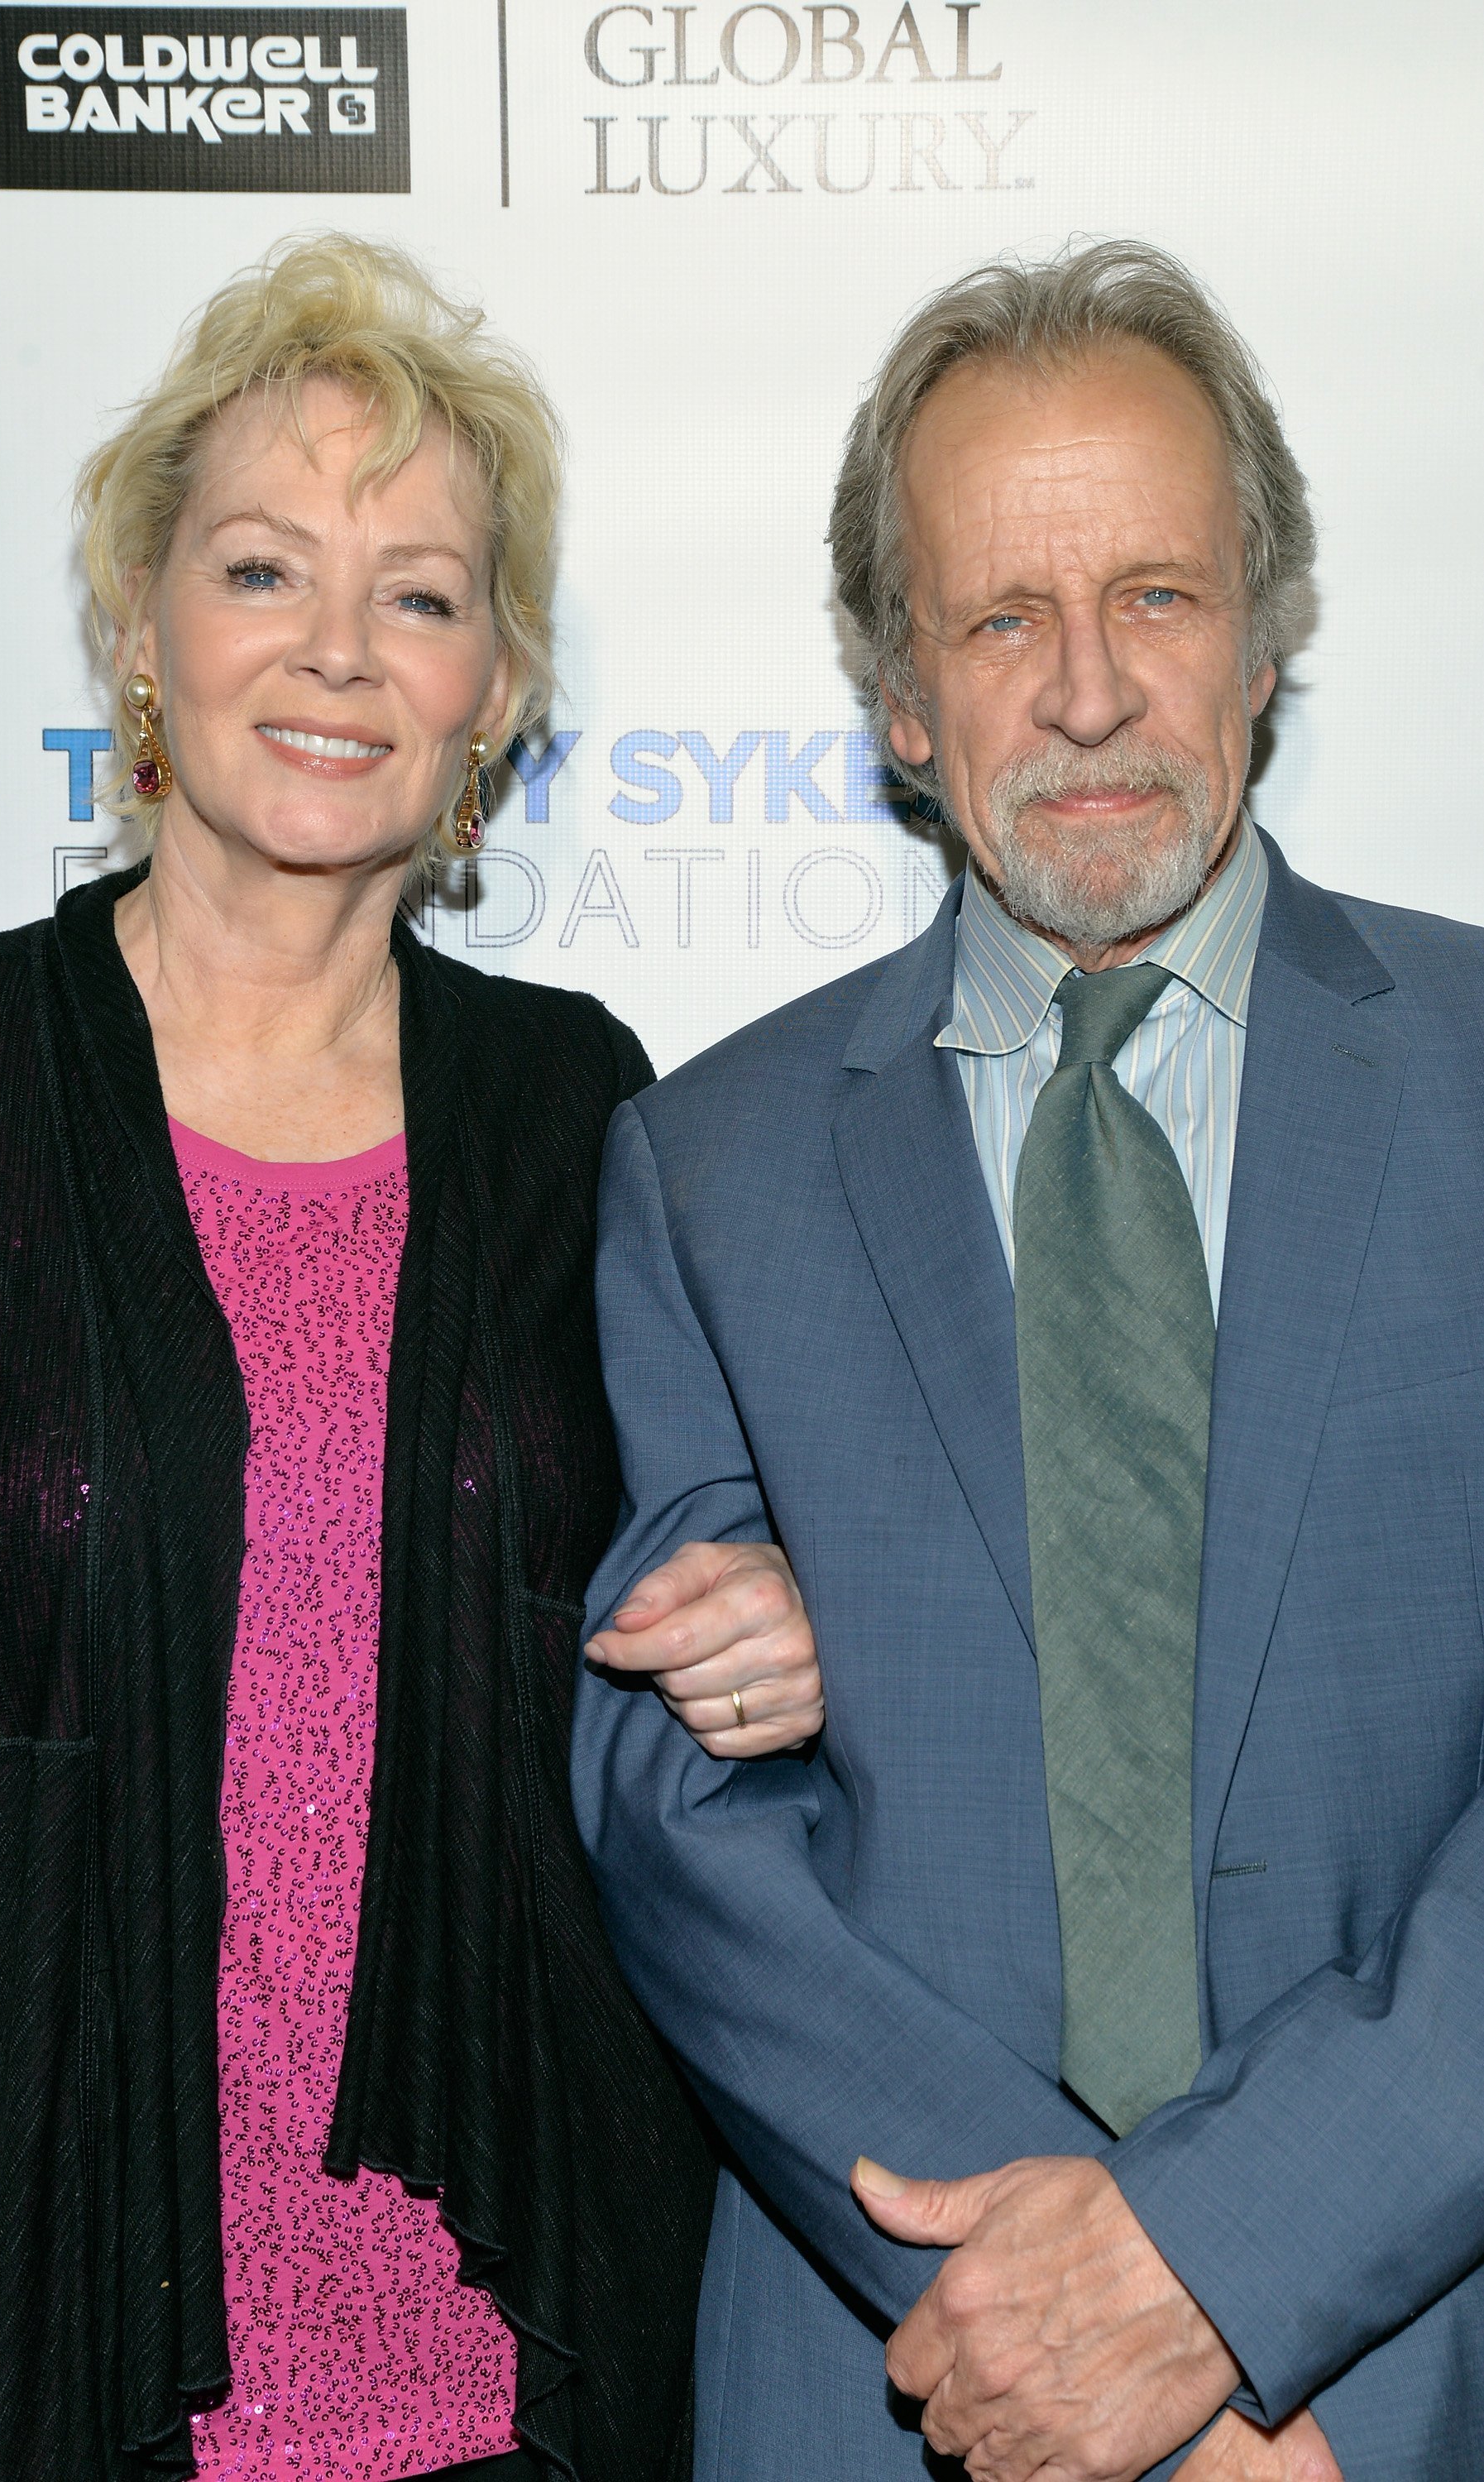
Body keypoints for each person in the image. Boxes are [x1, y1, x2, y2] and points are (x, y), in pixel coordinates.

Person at [0, 234, 824, 2482]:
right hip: (25, 2337)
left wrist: (793, 1623)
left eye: (418, 592)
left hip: (518, 2343)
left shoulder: (580, 1104)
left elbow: (710, 1545)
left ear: (493, 689)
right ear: (136, 630)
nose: (336, 648)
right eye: (259, 570)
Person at [572, 237, 1484, 2482]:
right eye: (997, 619)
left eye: (1157, 598)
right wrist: (1051, 2319)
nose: (1084, 692)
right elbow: (672, 1812)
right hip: (896, 2378)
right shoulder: (705, 1166)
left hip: (1410, 2368)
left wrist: (1220, 2266)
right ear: (898, 695)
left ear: (1264, 642)